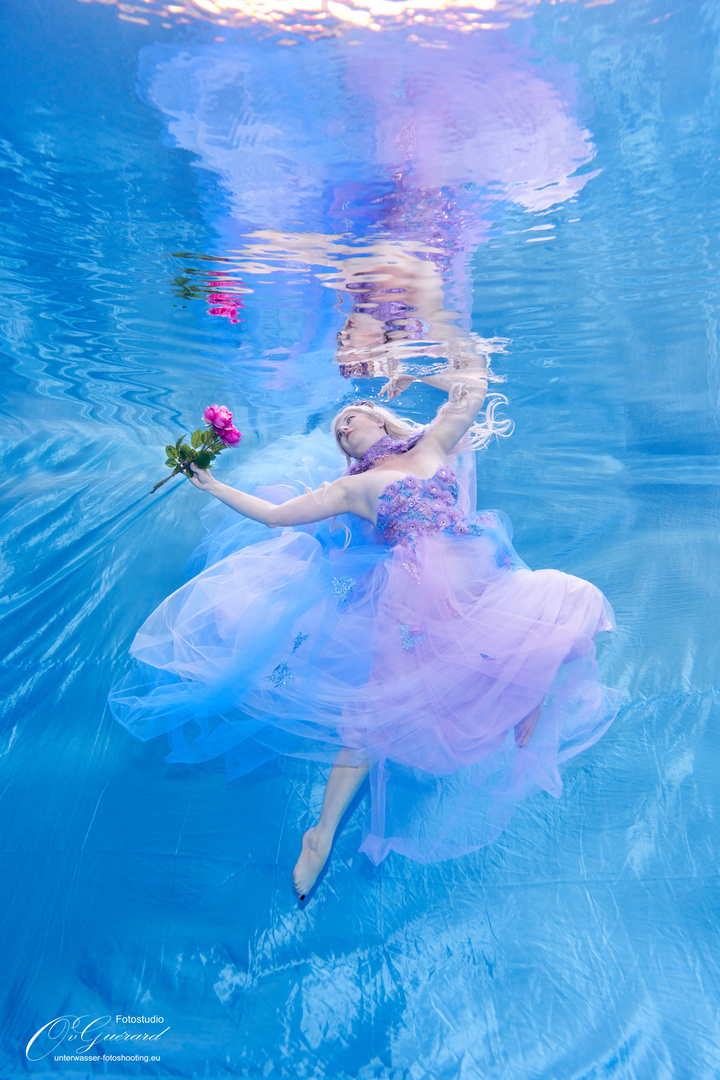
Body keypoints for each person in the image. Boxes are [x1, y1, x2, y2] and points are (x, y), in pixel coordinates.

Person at [109, 372, 621, 901]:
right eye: (336, 431)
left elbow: (471, 390)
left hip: (478, 578)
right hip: (411, 599)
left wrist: (414, 371)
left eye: (349, 418)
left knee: (570, 600)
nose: (343, 429)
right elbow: (276, 517)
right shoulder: (350, 488)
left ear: (378, 416)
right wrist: (212, 483)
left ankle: (525, 697)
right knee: (372, 714)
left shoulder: (432, 443)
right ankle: (320, 834)